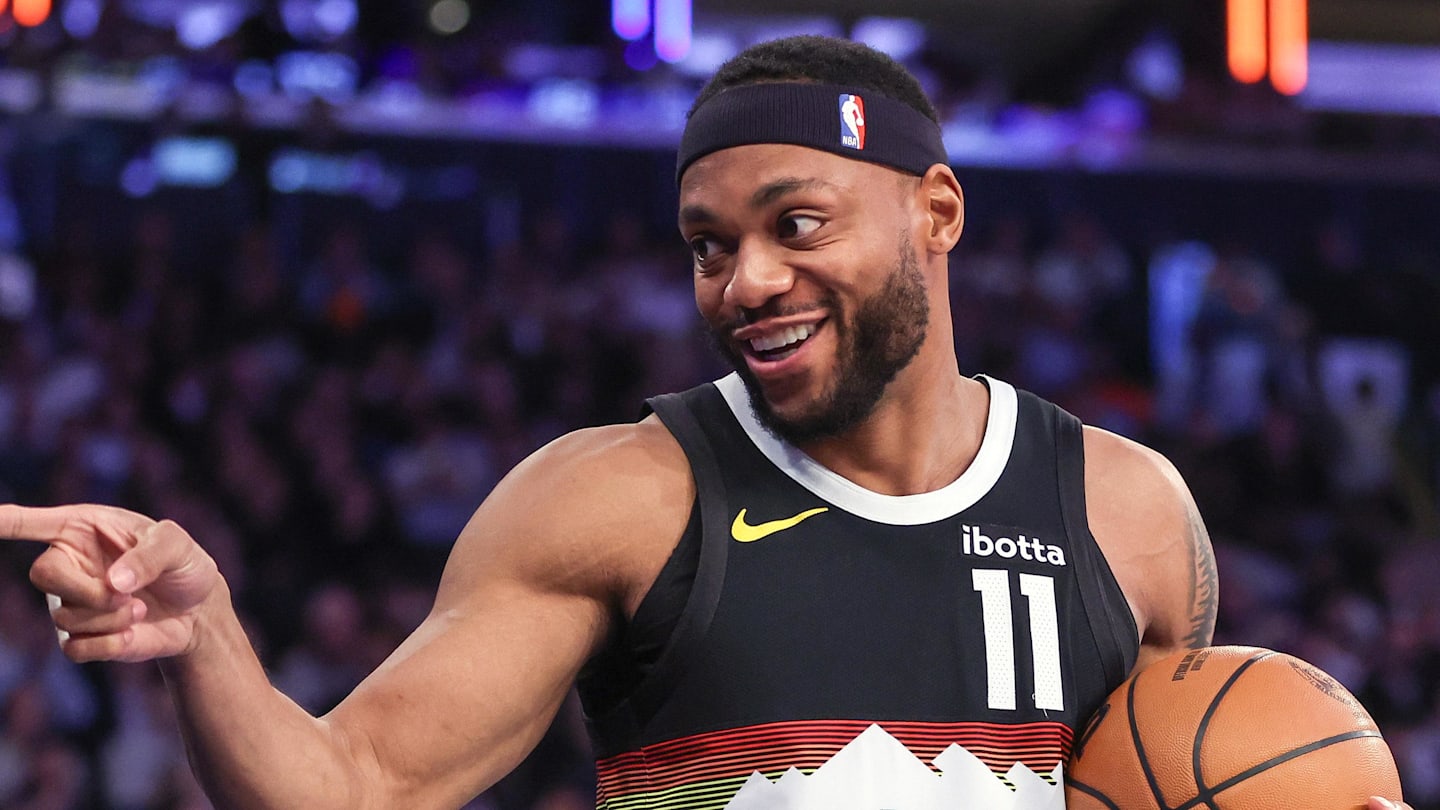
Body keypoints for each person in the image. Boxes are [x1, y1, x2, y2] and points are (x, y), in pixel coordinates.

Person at [0, 35, 1411, 810]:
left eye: (798, 225)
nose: (747, 281)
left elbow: (1193, 772)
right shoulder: (621, 495)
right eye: (708, 244)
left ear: (936, 214)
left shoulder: (1130, 510)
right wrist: (207, 641)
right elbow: (355, 786)